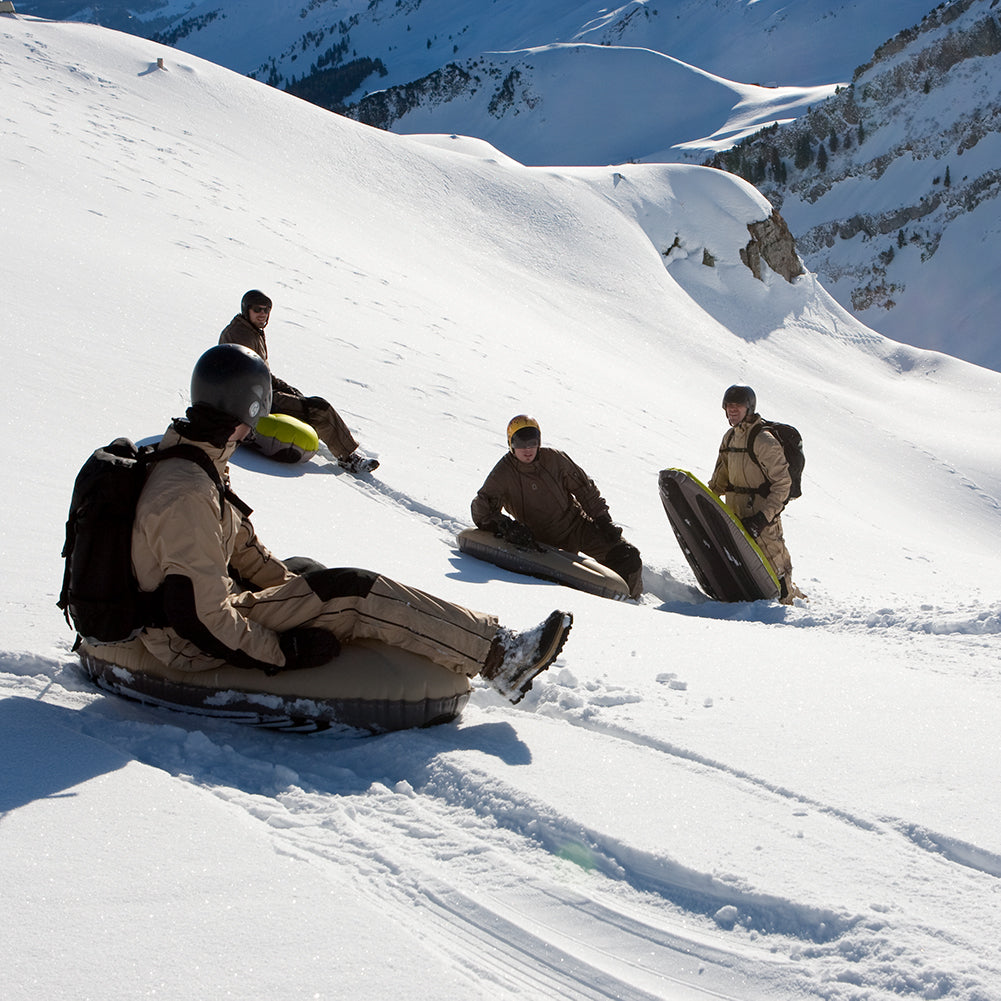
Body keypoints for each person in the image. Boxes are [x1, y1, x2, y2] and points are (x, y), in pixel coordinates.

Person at [131, 345, 573, 704]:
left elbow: (241, 548)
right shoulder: (187, 491)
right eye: (252, 419)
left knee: (310, 573)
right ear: (239, 413)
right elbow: (201, 619)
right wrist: (282, 652)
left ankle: (466, 643)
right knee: (354, 590)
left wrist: (296, 587)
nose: (253, 430)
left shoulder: (196, 460)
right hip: (187, 643)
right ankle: (499, 656)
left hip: (206, 605)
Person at [470, 415, 643, 599]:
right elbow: (482, 509)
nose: (527, 449)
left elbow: (585, 489)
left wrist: (603, 520)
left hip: (577, 526)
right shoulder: (503, 473)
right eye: (520, 443)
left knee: (627, 556)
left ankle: (629, 604)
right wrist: (508, 527)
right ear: (511, 444)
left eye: (532, 442)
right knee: (565, 587)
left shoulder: (554, 459)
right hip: (542, 542)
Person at [219, 290, 378, 474]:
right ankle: (349, 459)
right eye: (257, 309)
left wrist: (283, 387)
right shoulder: (241, 335)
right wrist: (275, 392)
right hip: (251, 399)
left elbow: (260, 372)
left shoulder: (250, 330)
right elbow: (245, 375)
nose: (262, 313)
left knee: (301, 399)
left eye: (266, 309)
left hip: (257, 391)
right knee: (319, 409)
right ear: (247, 310)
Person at [707, 385, 806, 604]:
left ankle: (791, 609)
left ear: (749, 408)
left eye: (738, 406)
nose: (732, 410)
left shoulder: (763, 440)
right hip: (736, 517)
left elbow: (782, 484)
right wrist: (703, 504)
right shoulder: (730, 438)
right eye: (729, 406)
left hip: (762, 521)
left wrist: (763, 519)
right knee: (745, 571)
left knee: (776, 569)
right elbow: (719, 479)